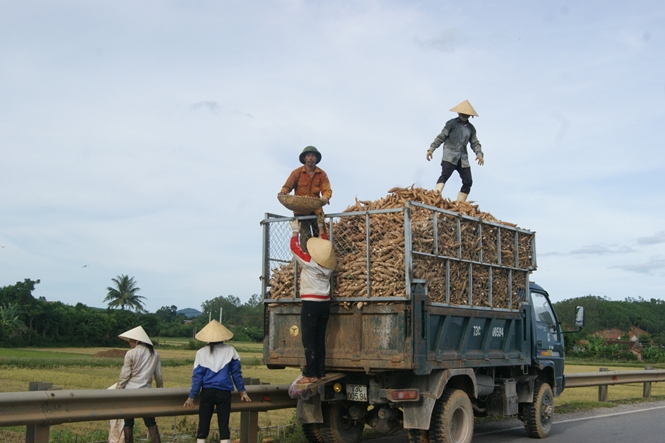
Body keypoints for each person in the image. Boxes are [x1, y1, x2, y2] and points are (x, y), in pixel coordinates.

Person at [184, 320, 251, 443]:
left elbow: (197, 378)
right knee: (223, 424)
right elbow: (236, 374)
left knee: (203, 423)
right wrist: (242, 391)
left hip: (207, 393)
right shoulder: (231, 350)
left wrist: (192, 396)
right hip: (224, 393)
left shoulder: (201, 353)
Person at [289, 218, 336, 384]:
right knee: (319, 339)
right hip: (324, 305)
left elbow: (295, 248)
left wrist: (295, 230)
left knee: (309, 340)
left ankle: (309, 374)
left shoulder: (310, 263)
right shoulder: (329, 266)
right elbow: (325, 245)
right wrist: (321, 226)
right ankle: (320, 371)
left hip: (311, 305)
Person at [426, 100, 484, 202]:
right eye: (463, 113)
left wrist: (479, 154)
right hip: (450, 156)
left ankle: (460, 204)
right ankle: (434, 198)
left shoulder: (471, 129)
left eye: (466, 114)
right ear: (458, 113)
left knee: (468, 181)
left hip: (462, 159)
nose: (464, 115)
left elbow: (475, 143)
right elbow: (441, 137)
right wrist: (431, 149)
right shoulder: (451, 124)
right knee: (445, 175)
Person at [116, 325, 163, 443]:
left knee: (128, 422)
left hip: (129, 393)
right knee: (150, 422)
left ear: (137, 340)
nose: (129, 342)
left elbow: (125, 375)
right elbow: (158, 376)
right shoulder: (155, 354)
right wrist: (160, 390)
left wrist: (118, 389)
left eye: (131, 340)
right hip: (146, 393)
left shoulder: (130, 354)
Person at [279, 146, 332, 244]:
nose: (311, 158)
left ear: (316, 158)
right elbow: (287, 187)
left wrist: (325, 198)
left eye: (313, 156)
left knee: (321, 236)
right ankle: (306, 257)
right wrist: (283, 193)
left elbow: (327, 190)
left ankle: (320, 258)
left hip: (316, 210)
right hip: (300, 211)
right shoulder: (296, 173)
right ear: (304, 158)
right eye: (308, 155)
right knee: (305, 236)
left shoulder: (321, 174)